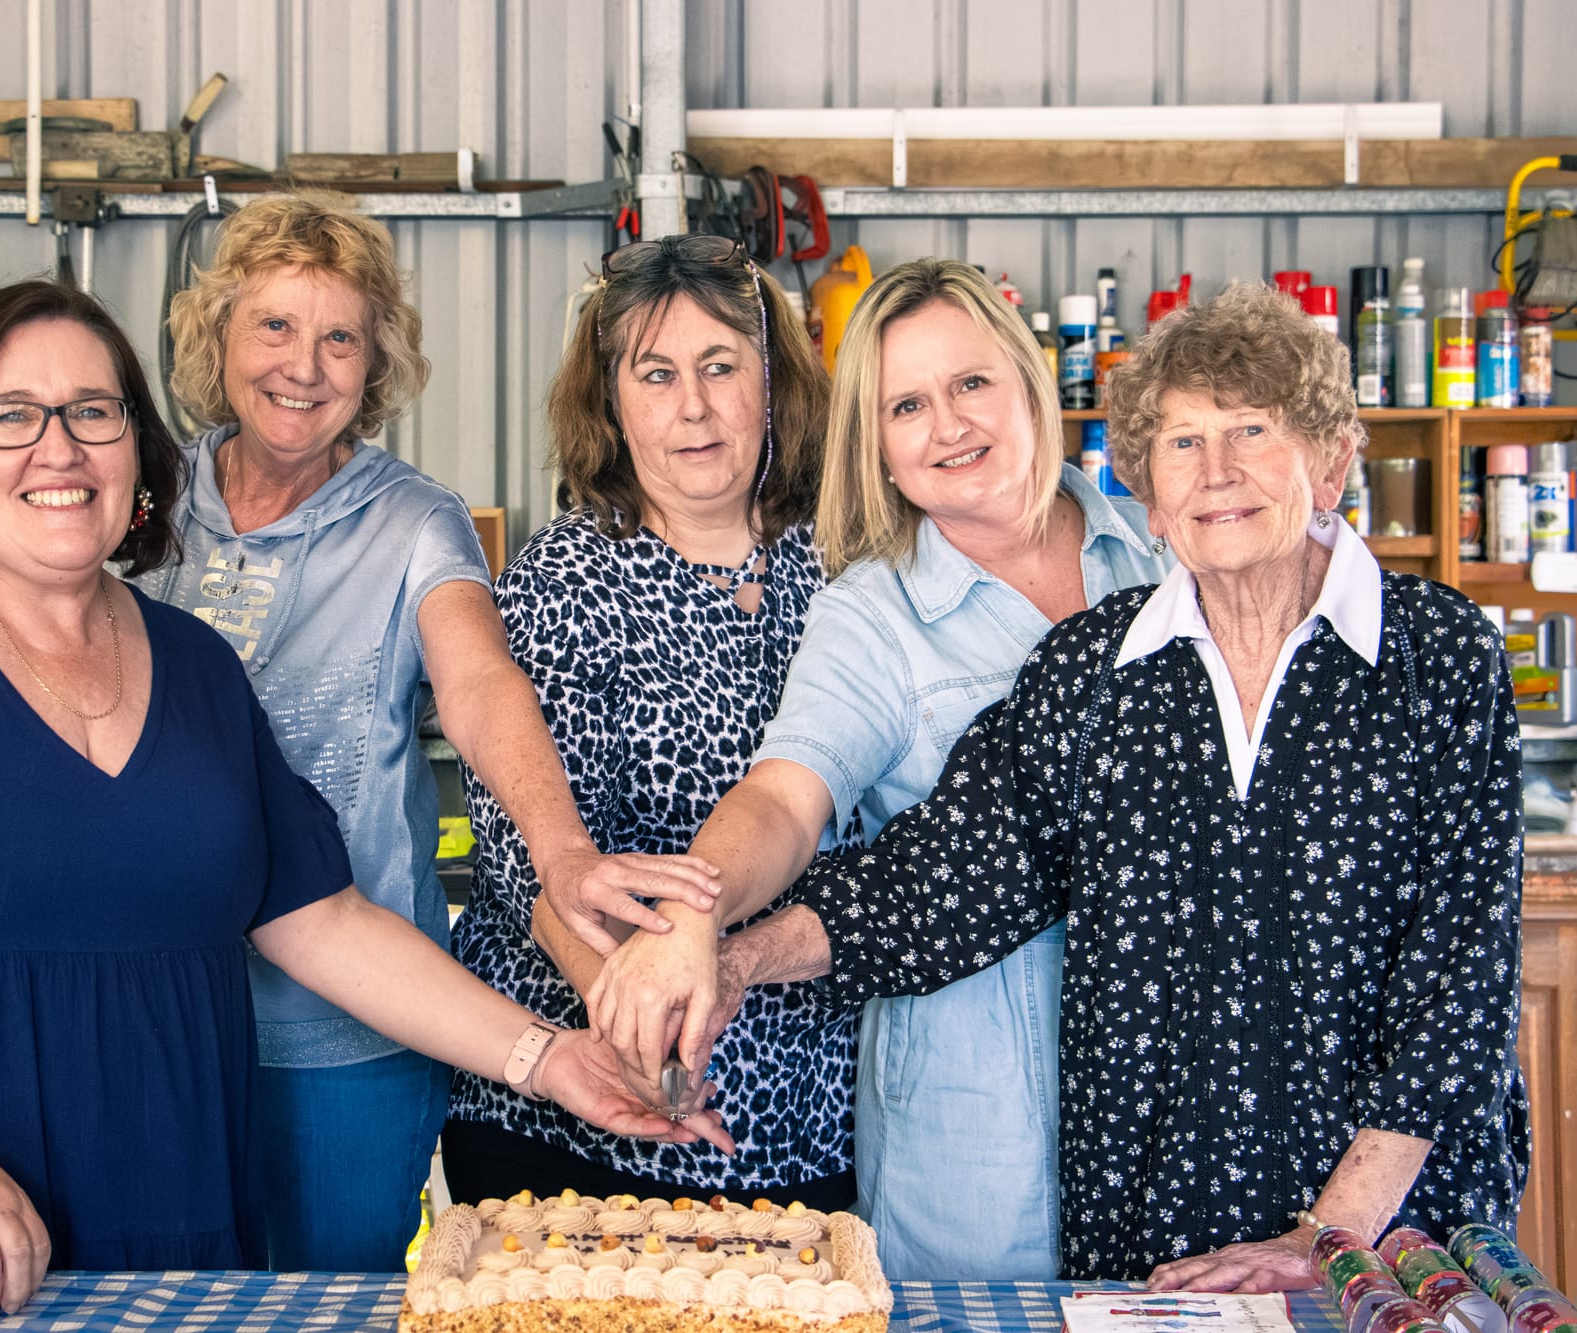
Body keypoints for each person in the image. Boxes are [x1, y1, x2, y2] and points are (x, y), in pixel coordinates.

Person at [0, 281, 730, 1314]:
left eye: (93, 413)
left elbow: (317, 919)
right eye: (11, 415)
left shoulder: (191, 667)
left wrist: (548, 1062)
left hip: (172, 1204)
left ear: (137, 458)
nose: (58, 447)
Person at [647, 281, 1528, 1286]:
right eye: (1183, 445)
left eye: (1251, 430)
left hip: (1381, 1237)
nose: (1218, 472)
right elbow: (943, 880)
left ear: (1329, 460)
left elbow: (1459, 979)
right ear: (1147, 495)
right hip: (1154, 1225)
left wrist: (1321, 1238)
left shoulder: (1437, 657)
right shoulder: (1094, 668)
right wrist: (736, 960)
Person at [137, 196, 720, 1271]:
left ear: (377, 364)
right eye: (273, 326)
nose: (302, 367)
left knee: (332, 1295)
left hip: (348, 1029)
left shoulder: (413, 519)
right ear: (216, 336)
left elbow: (478, 677)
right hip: (153, 1008)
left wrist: (562, 852)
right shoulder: (141, 497)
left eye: (338, 338)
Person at [580, 258, 1171, 1278]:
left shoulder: (1167, 555)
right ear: (879, 448)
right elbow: (783, 794)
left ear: (1029, 381)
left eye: (970, 383)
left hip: (1177, 1099)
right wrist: (694, 918)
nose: (947, 425)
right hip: (977, 1126)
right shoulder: (872, 613)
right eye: (906, 404)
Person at [445, 234, 857, 1208]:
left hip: (809, 1108)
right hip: (581, 1106)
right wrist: (634, 1019)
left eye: (720, 367)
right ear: (610, 402)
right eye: (657, 374)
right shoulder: (566, 578)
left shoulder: (845, 568)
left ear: (772, 382)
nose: (693, 407)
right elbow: (523, 865)